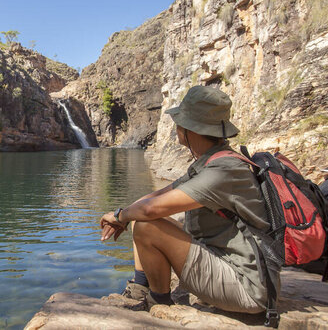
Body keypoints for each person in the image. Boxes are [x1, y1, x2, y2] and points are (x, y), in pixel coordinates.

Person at [100, 85, 276, 314]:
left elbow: (151, 210)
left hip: (247, 287)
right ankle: (140, 287)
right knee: (139, 217)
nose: (176, 127)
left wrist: (118, 215)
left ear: (189, 129)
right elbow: (154, 198)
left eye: (179, 122)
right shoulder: (213, 161)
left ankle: (159, 304)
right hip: (226, 263)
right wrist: (126, 214)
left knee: (145, 224)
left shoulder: (223, 170)